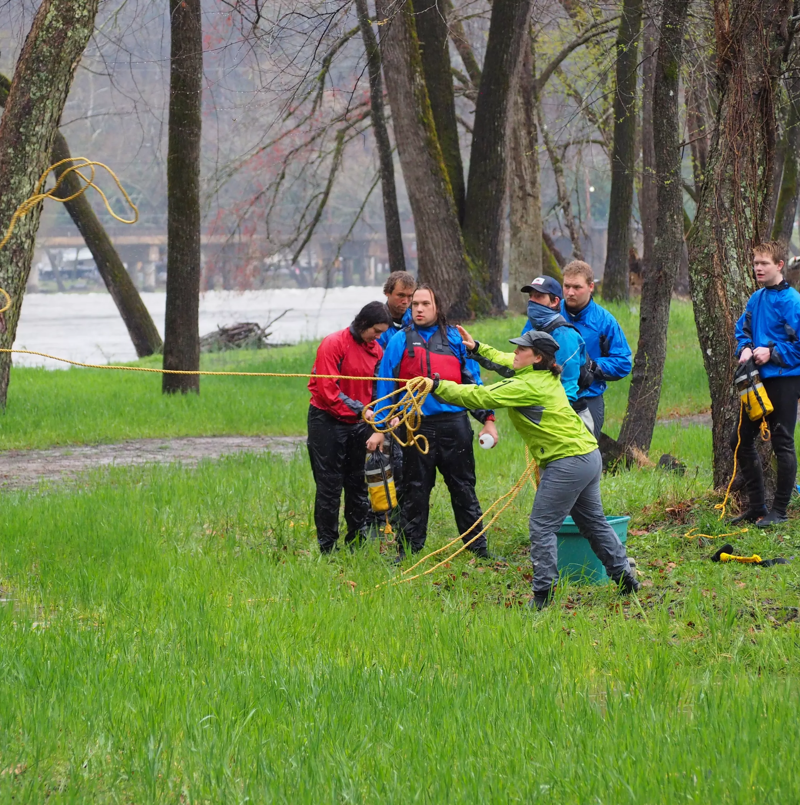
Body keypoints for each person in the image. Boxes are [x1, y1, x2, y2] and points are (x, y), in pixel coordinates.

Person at [431, 327, 638, 609]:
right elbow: (506, 359)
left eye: (521, 349)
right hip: (588, 455)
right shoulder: (542, 374)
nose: (515, 352)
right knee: (593, 522)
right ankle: (626, 578)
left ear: (537, 357)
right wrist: (477, 348)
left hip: (568, 462)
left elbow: (479, 397)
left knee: (542, 526)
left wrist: (436, 386)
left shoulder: (527, 386)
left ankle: (543, 596)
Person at [368, 284, 498, 559]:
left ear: (437, 307)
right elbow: (385, 388)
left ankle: (478, 551)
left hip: (455, 426)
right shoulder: (398, 341)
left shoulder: (454, 338)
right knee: (414, 491)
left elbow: (473, 382)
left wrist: (488, 420)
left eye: (425, 303)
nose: (419, 308)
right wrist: (380, 428)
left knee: (463, 488)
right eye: (415, 304)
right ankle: (408, 552)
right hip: (416, 428)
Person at [307, 302, 392, 553]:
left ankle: (356, 542)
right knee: (329, 486)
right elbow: (328, 391)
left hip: (360, 422)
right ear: (363, 324)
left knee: (358, 485)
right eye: (376, 331)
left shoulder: (377, 350)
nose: (378, 337)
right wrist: (359, 409)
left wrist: (382, 416)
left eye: (381, 333)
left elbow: (379, 389)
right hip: (327, 421)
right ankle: (327, 547)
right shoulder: (333, 344)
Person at [732, 240, 800, 527]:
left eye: (764, 264)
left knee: (782, 443)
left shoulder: (793, 301)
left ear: (779, 265)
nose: (758, 268)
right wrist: (745, 348)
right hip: (755, 383)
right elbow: (742, 329)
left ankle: (780, 511)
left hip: (785, 380)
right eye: (756, 263)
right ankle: (757, 506)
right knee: (742, 441)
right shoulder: (755, 298)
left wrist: (772, 352)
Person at [560, 261, 632, 438]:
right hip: (552, 398)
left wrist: (592, 366)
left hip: (588, 399)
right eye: (566, 286)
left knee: (585, 458)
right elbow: (525, 349)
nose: (570, 292)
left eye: (577, 287)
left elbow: (623, 361)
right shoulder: (550, 313)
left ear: (591, 286)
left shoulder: (604, 321)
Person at [515, 275, 593, 430]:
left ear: (554, 301)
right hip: (547, 411)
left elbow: (568, 385)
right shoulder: (534, 328)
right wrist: (477, 350)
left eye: (539, 296)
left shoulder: (565, 335)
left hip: (571, 416)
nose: (532, 302)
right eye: (531, 296)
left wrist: (555, 420)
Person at [378, 271, 416, 349]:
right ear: (387, 293)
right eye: (401, 295)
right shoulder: (374, 323)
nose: (405, 301)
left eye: (410, 296)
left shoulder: (416, 321)